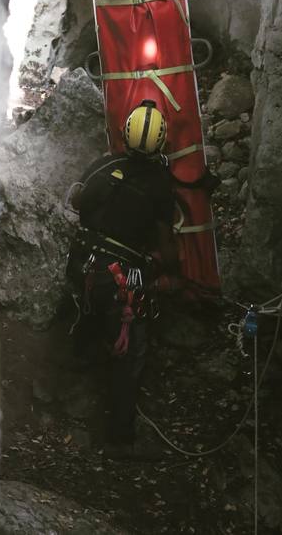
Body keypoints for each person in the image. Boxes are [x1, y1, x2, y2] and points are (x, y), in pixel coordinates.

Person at [66, 99, 178, 458]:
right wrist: (166, 271)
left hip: (82, 262)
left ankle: (68, 370)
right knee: (130, 353)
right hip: (119, 278)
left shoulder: (104, 164)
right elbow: (168, 251)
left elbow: (77, 201)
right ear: (161, 142)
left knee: (83, 311)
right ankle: (121, 437)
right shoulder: (161, 185)